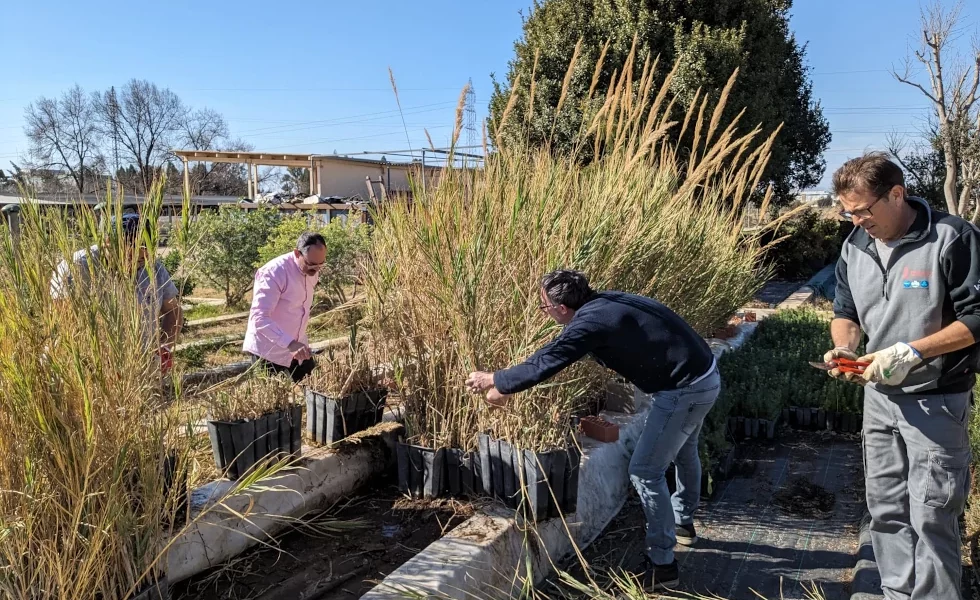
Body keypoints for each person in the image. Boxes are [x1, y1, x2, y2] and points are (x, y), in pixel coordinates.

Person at [465, 269, 719, 591]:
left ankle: (663, 564)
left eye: (543, 307)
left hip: (684, 391)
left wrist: (496, 380)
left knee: (644, 471)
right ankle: (683, 522)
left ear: (560, 308)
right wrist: (507, 385)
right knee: (684, 452)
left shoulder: (591, 321)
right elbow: (560, 348)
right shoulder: (604, 303)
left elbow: (551, 358)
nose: (543, 312)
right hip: (704, 376)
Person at [827, 152, 980, 600]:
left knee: (932, 514)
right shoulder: (855, 245)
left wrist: (912, 351)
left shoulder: (952, 238)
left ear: (896, 194)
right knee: (886, 508)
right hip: (878, 399)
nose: (855, 221)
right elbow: (846, 312)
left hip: (935, 400)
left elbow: (977, 318)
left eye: (861, 211)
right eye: (847, 212)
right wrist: (846, 348)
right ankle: (897, 591)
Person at [50, 211, 182, 362]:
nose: (136, 262)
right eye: (129, 254)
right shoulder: (77, 267)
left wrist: (163, 347)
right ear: (108, 242)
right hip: (85, 367)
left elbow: (173, 310)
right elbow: (63, 323)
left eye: (142, 255)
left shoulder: (153, 267)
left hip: (139, 368)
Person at [244, 231, 327, 383]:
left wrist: (295, 343)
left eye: (321, 264)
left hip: (298, 346)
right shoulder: (273, 273)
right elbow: (259, 317)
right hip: (268, 349)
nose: (316, 270)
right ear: (297, 253)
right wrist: (289, 343)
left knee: (317, 389)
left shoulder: (312, 270)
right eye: (311, 264)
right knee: (271, 403)